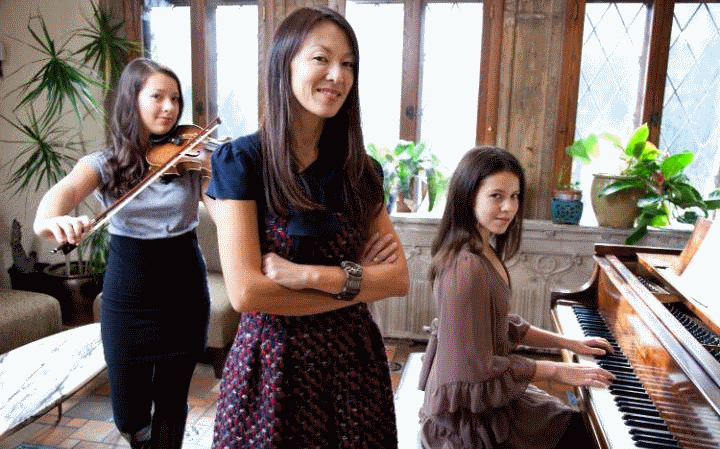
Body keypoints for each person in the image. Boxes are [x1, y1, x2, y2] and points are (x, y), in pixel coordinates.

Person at [205, 6, 409, 448]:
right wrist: (356, 280)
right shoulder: (242, 162)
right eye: (321, 59)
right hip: (272, 368)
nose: (337, 75)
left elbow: (396, 278)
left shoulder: (362, 171)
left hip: (354, 368)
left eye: (348, 64)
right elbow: (247, 293)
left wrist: (308, 276)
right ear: (285, 63)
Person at [33, 58, 211, 449]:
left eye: (176, 99)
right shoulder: (104, 164)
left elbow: (224, 213)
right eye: (158, 97)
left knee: (171, 403)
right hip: (130, 298)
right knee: (128, 415)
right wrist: (52, 222)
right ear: (132, 101)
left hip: (185, 292)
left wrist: (222, 173)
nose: (170, 108)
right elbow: (56, 200)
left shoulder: (193, 161)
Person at [418, 146, 616, 449]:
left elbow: (503, 325)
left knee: (577, 423)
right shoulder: (465, 266)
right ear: (468, 196)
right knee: (583, 433)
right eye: (496, 196)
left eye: (515, 196)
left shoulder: (483, 249)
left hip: (485, 398)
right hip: (470, 418)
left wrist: (570, 344)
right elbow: (477, 369)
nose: (509, 207)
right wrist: (559, 370)